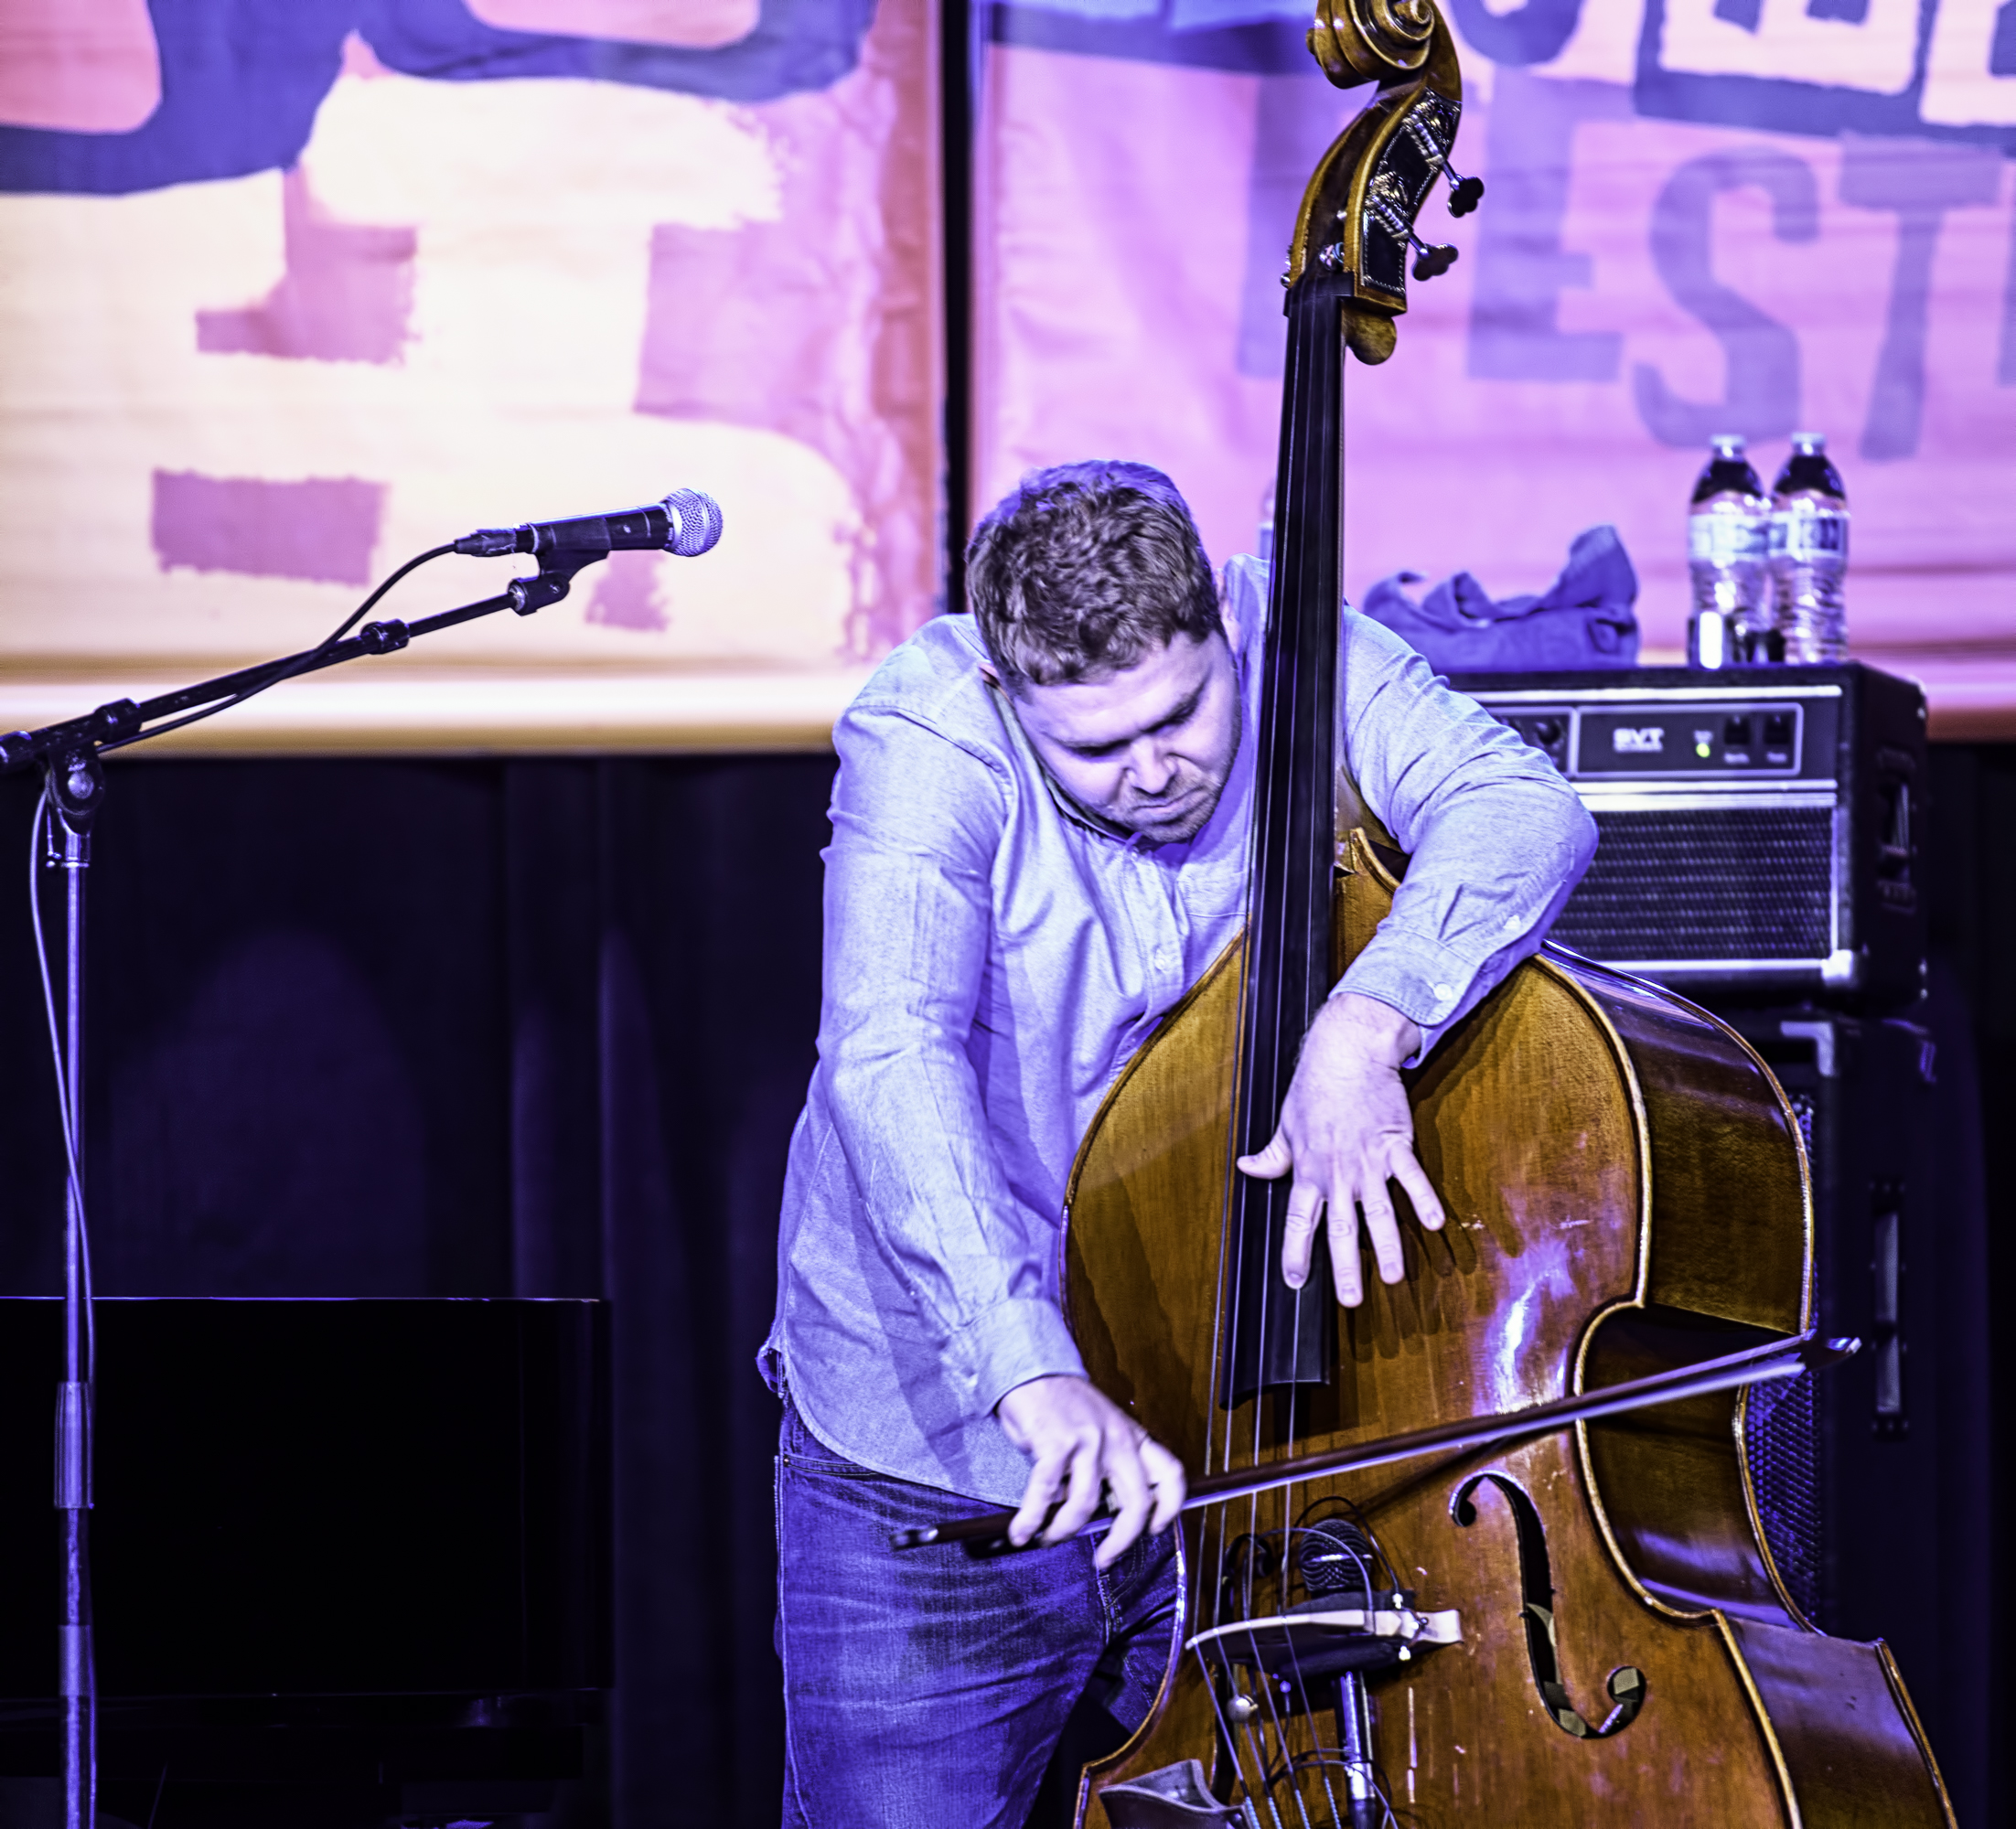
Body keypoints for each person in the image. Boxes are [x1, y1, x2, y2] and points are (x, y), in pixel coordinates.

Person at [762, 461, 1596, 1827]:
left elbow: (1524, 808)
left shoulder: (1297, 642)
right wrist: (1031, 1375)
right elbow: (887, 1056)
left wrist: (1364, 1023)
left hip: (1239, 1443)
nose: (1154, 769)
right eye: (1093, 748)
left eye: (1183, 714)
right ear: (1004, 693)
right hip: (941, 1453)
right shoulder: (928, 726)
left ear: (1220, 620)